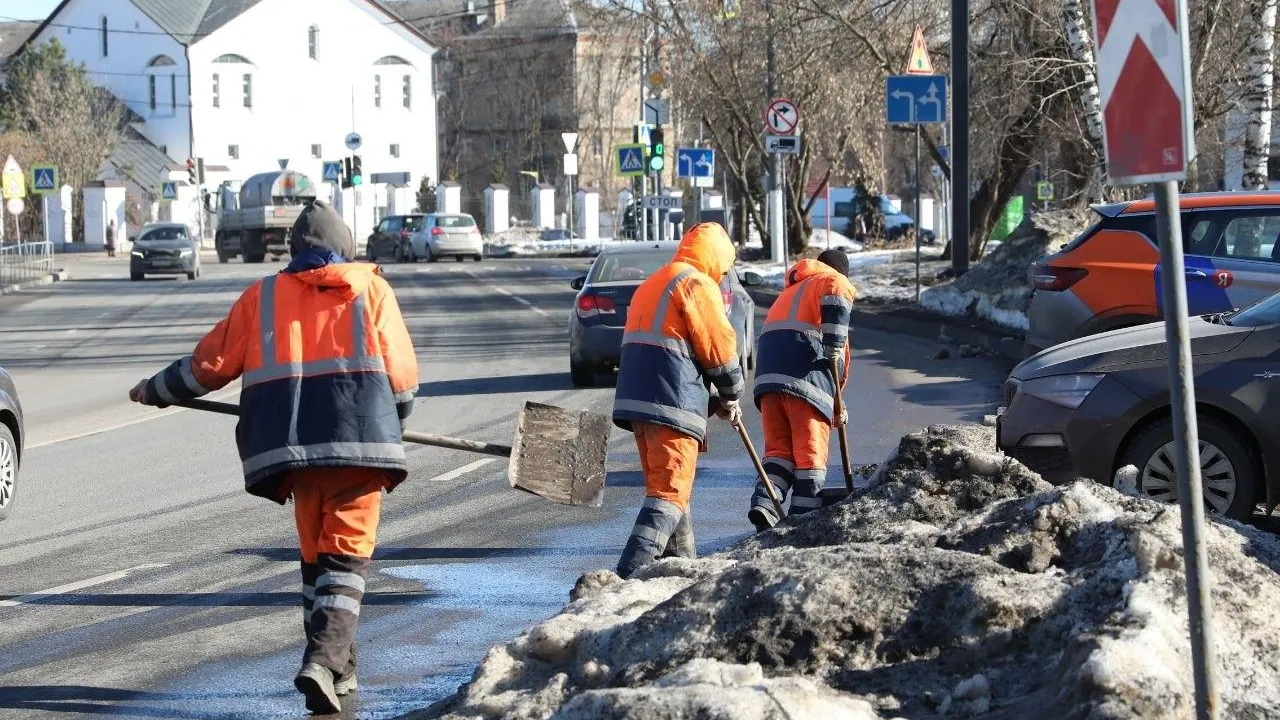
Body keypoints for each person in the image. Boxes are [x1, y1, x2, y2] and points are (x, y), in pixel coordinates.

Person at [126, 199, 419, 714]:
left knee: (317, 559)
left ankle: (340, 670)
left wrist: (155, 389)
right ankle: (324, 662)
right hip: (358, 448)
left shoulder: (261, 297)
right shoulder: (371, 288)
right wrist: (393, 420)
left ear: (294, 249)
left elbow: (208, 366)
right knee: (346, 557)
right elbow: (402, 379)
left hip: (291, 453)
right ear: (345, 246)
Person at [612, 222, 744, 579]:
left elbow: (675, 345)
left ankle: (685, 573)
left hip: (639, 401)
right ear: (717, 258)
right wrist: (732, 391)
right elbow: (718, 347)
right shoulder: (695, 283)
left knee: (673, 493)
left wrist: (712, 398)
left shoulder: (655, 282)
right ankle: (626, 576)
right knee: (668, 495)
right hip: (670, 401)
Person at [747, 248, 858, 531]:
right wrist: (834, 343)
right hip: (805, 383)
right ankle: (801, 523)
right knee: (810, 458)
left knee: (779, 453)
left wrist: (837, 406)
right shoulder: (830, 281)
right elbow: (835, 362)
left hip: (769, 383)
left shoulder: (789, 293)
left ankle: (764, 504)